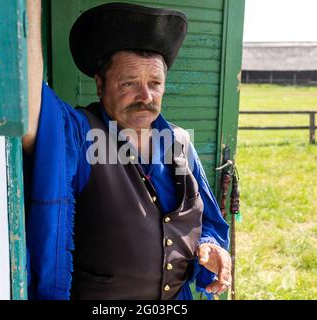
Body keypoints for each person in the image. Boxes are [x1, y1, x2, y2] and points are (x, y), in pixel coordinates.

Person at [23, 0, 232, 300]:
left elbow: (209, 222)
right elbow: (32, 111)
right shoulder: (80, 133)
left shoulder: (180, 142)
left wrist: (210, 246)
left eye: (155, 83)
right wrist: (31, 10)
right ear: (100, 85)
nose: (145, 96)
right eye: (129, 83)